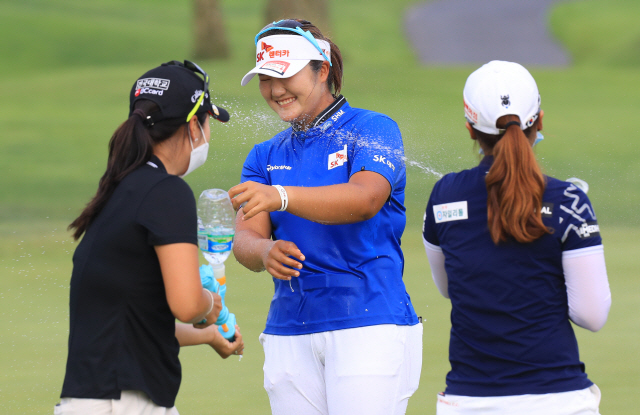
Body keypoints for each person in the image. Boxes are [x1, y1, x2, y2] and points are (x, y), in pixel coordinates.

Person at [228, 19, 422, 415]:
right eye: (266, 77)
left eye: (285, 75)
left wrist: (281, 196)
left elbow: (365, 198)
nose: (275, 89)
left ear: (323, 70)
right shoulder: (264, 156)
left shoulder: (372, 129)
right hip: (289, 328)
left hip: (369, 322)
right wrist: (264, 252)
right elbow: (244, 240)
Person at [422, 60, 611, 414]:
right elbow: (592, 315)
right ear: (538, 122)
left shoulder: (445, 195)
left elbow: (449, 287)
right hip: (559, 400)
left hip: (469, 401)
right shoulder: (567, 200)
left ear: (470, 128)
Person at [57, 60, 244, 415]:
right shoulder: (167, 192)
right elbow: (188, 305)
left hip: (94, 400)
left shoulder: (118, 190)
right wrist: (209, 303)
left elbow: (135, 322)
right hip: (126, 404)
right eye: (208, 122)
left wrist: (207, 334)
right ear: (193, 125)